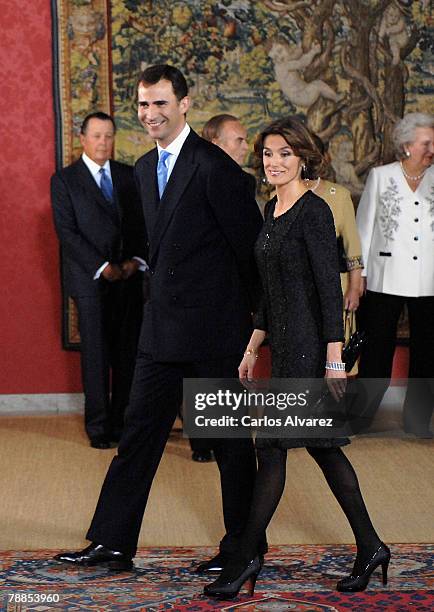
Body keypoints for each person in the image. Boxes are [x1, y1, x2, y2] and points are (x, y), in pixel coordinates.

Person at [54, 65, 264, 572]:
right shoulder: (145, 170)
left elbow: (250, 255)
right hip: (160, 331)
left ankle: (244, 550)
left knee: (231, 448)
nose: (150, 114)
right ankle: (112, 542)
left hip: (215, 334)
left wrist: (252, 335)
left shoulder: (216, 169)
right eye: (144, 105)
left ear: (185, 104)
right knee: (136, 439)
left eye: (161, 104)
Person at [204, 117, 389, 599]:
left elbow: (330, 288)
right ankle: (371, 546)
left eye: (285, 153)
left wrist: (333, 357)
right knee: (323, 449)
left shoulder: (314, 211)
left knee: (270, 448)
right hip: (283, 346)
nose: (275, 162)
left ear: (304, 157)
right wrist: (252, 346)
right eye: (268, 154)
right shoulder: (271, 208)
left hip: (311, 348)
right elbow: (268, 291)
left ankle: (244, 558)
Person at [51, 112, 145, 448]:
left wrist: (135, 260)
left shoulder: (128, 176)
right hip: (90, 280)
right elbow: (67, 232)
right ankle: (98, 427)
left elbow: (141, 224)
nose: (103, 142)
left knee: (126, 355)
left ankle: (122, 423)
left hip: (128, 279)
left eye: (108, 136)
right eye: (96, 136)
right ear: (83, 138)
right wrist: (103, 265)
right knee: (96, 356)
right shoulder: (65, 180)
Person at [356, 112, 434, 437]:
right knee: (375, 349)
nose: (432, 148)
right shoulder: (381, 176)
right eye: (426, 142)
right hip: (383, 276)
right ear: (405, 145)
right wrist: (356, 275)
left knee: (428, 353)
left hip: (429, 279)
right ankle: (359, 419)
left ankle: (417, 422)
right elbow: (363, 230)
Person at [186, 113, 255, 463]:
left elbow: (247, 242)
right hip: (195, 292)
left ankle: (226, 439)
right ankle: (201, 442)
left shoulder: (245, 182)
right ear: (216, 144)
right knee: (198, 369)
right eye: (238, 140)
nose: (246, 147)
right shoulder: (184, 179)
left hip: (230, 292)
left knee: (227, 370)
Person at [304, 135, 364, 373]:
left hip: (336, 287)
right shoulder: (277, 195)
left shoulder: (338, 195)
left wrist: (354, 287)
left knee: (336, 360)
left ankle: (331, 408)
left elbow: (353, 246)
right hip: (296, 288)